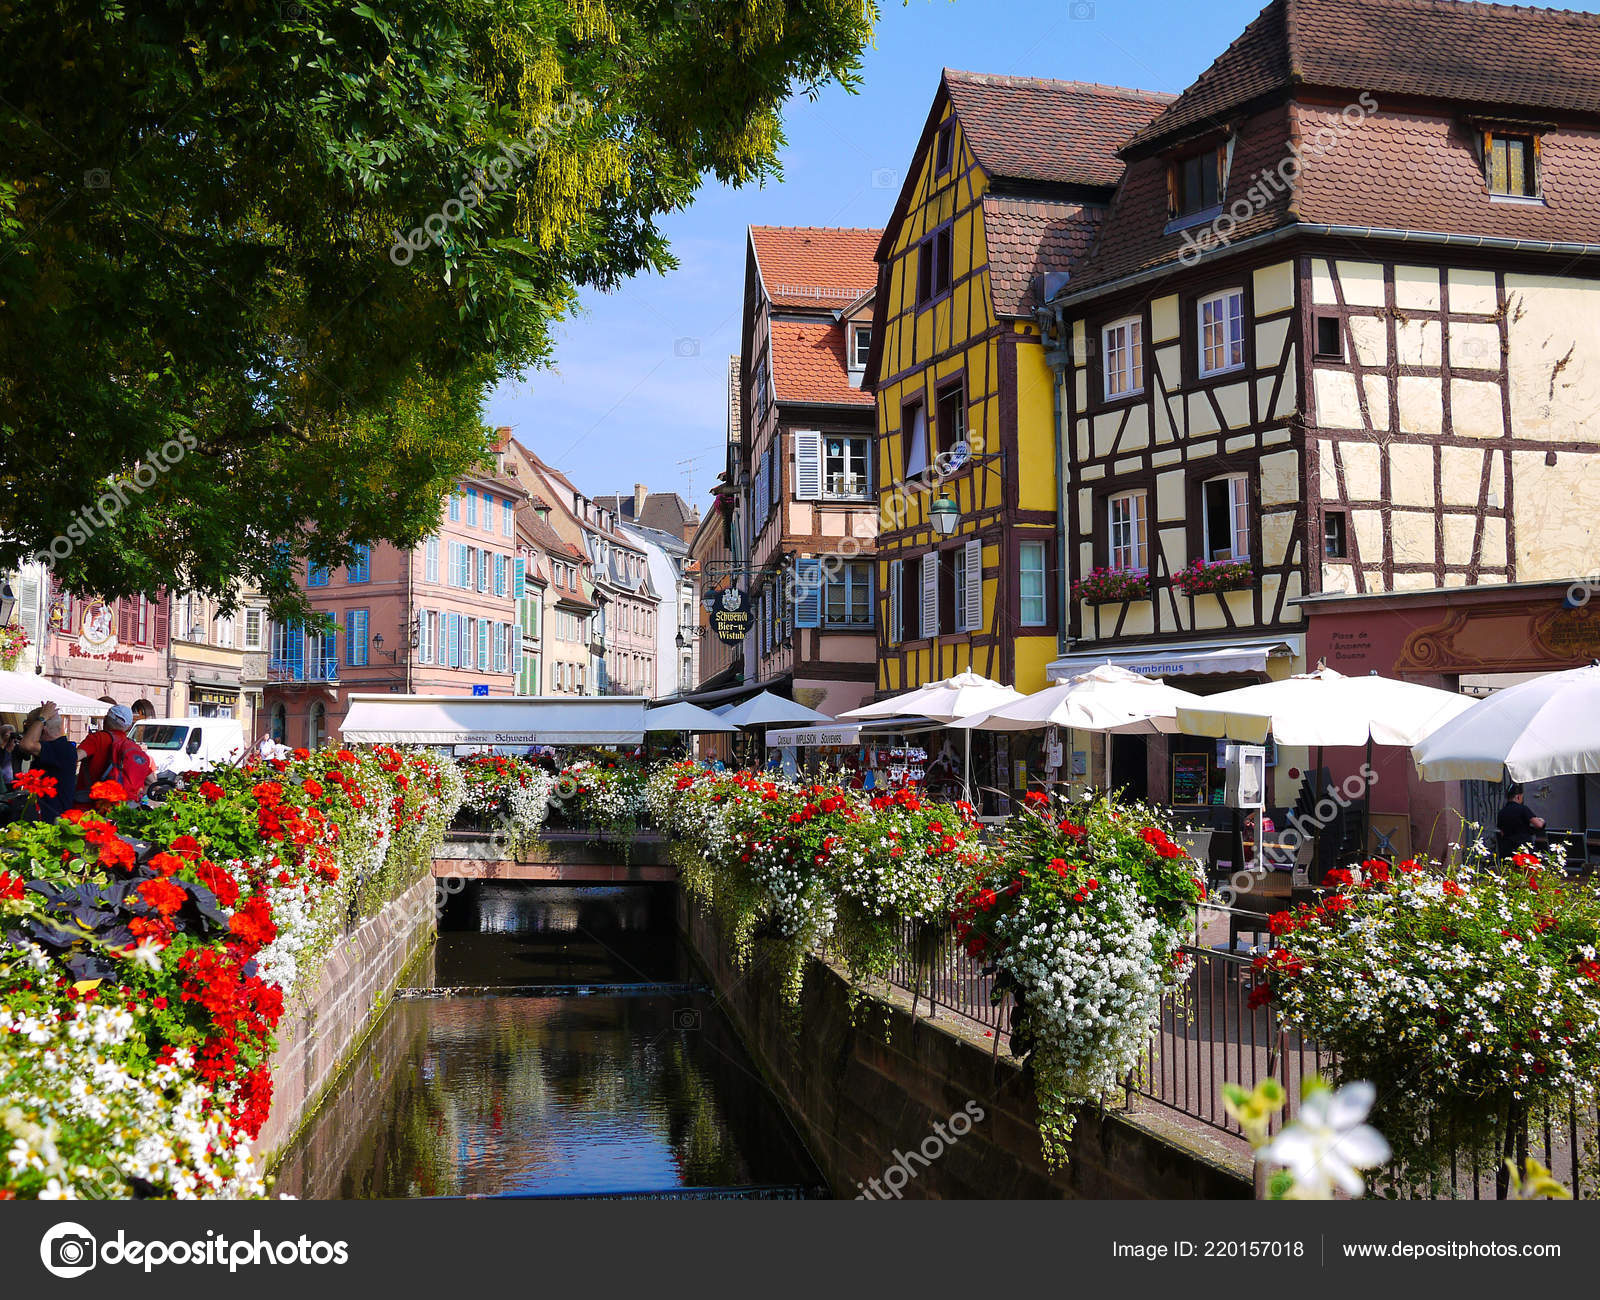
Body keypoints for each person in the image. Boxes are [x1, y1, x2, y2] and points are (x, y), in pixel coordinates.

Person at [77, 703, 153, 803]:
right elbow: (151, 781)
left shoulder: (96, 739)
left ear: (106, 719)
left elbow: (73, 758)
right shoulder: (131, 746)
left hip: (90, 808)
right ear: (128, 727)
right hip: (120, 809)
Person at [18, 702, 80, 821]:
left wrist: (42, 718)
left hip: (51, 819)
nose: (28, 732)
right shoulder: (60, 747)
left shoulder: (61, 749)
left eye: (29, 727)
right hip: (49, 816)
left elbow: (27, 744)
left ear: (43, 728)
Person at [1496, 783, 1545, 858]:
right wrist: (1542, 820)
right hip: (1524, 849)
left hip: (1508, 850)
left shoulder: (1501, 812)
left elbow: (1502, 833)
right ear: (1518, 797)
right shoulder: (1522, 809)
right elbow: (1539, 824)